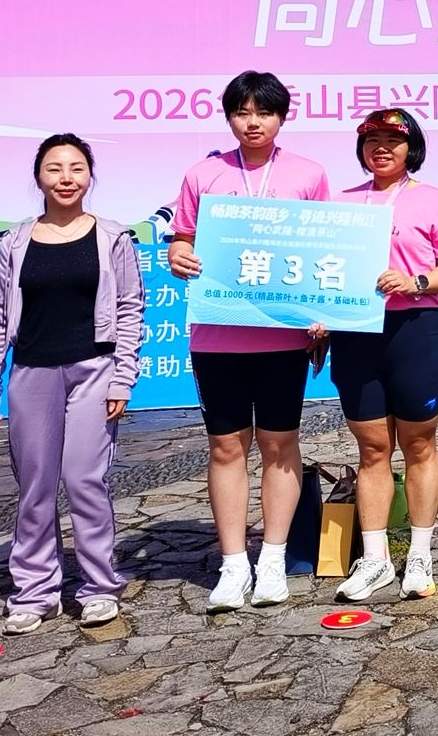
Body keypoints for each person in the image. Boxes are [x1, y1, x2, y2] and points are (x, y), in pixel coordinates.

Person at [167, 71, 331, 612]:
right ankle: (234, 563)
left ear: (282, 117)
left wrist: (324, 313)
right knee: (225, 447)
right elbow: (182, 239)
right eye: (242, 112)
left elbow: (326, 250)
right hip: (218, 334)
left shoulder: (308, 174)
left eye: (264, 112)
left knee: (280, 445)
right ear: (229, 117)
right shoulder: (204, 173)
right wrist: (178, 256)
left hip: (284, 336)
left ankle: (274, 559)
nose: (252, 122)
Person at [0, 134, 144, 634]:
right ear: (38, 177)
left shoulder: (112, 238)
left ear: (90, 176)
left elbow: (130, 310)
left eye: (76, 168)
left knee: (85, 480)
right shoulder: (14, 243)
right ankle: (34, 592)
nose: (66, 178)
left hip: (94, 372)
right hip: (31, 373)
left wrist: (122, 378)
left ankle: (99, 588)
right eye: (54, 169)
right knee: (35, 486)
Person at [327, 108, 438, 600]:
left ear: (412, 148)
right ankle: (375, 560)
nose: (382, 148)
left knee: (419, 445)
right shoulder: (341, 203)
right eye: (372, 141)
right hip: (356, 333)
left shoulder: (434, 200)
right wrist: (319, 316)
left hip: (414, 329)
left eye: (393, 140)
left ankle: (420, 555)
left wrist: (418, 282)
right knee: (372, 449)